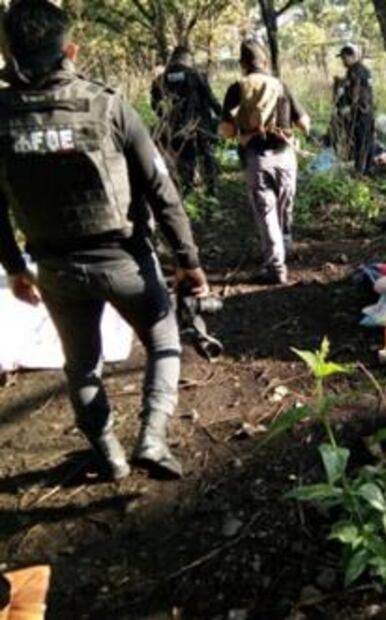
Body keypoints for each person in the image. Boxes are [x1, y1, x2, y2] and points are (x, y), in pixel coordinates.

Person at [0, 0, 209, 480]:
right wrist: (188, 261)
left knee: (82, 366)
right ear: (70, 50)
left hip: (55, 268)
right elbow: (161, 188)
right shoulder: (109, 105)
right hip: (126, 262)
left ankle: (109, 453)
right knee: (163, 343)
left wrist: (15, 268)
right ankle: (152, 437)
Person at [219, 39, 310, 285]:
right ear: (265, 61)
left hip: (256, 159)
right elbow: (304, 124)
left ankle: (276, 267)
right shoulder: (281, 85)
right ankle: (285, 245)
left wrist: (243, 131)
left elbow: (226, 131)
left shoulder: (237, 87)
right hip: (286, 156)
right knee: (283, 205)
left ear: (242, 64)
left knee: (266, 212)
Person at [151, 45, 222, 196]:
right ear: (186, 58)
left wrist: (167, 116)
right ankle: (211, 189)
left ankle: (186, 187)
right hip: (200, 124)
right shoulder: (195, 75)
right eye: (191, 59)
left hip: (174, 127)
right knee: (206, 153)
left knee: (184, 157)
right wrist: (222, 115)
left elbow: (155, 103)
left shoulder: (161, 79)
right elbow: (210, 99)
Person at [337, 44, 374, 175]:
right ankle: (368, 169)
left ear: (351, 56)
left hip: (360, 112)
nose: (343, 62)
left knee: (360, 141)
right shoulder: (365, 70)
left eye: (344, 58)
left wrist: (348, 108)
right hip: (368, 111)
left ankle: (359, 171)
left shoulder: (355, 71)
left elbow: (356, 92)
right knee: (367, 141)